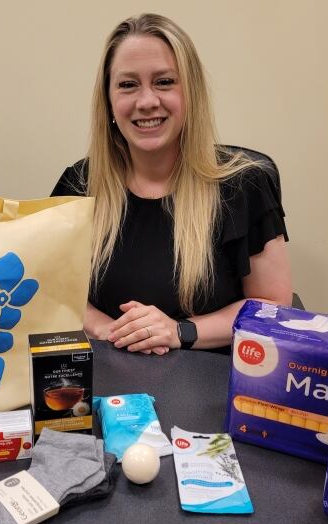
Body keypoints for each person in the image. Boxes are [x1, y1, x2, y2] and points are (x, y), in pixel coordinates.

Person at [51, 13, 292, 354]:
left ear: (190, 93)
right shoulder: (78, 185)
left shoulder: (245, 186)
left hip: (208, 383)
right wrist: (104, 327)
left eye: (164, 82)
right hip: (107, 381)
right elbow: (52, 289)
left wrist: (179, 331)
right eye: (127, 84)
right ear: (108, 100)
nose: (147, 101)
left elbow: (274, 306)